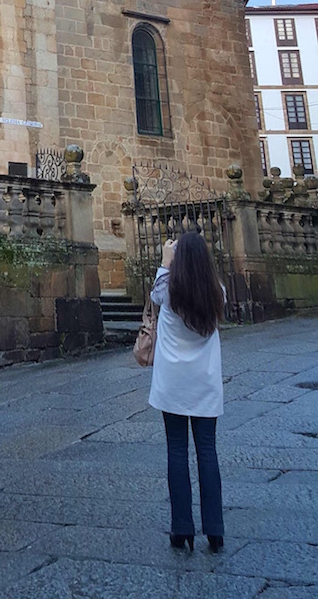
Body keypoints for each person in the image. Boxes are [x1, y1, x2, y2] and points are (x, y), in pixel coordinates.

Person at [149, 231, 226, 553]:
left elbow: (153, 298)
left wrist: (165, 263)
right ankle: (216, 530)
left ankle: (182, 529)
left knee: (176, 452)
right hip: (205, 384)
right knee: (207, 452)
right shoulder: (216, 291)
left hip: (173, 385)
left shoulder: (167, 289)